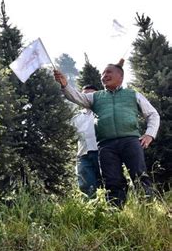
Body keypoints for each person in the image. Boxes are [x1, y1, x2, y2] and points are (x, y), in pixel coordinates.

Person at [54, 62, 160, 207]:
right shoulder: (95, 97)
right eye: (103, 74)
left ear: (120, 77)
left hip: (130, 141)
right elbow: (76, 97)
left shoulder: (133, 94)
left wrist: (149, 134)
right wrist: (65, 84)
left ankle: (148, 210)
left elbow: (153, 114)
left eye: (109, 72)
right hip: (106, 145)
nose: (105, 76)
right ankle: (116, 212)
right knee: (112, 181)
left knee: (139, 176)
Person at [72, 84, 101, 198]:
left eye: (91, 94)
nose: (87, 97)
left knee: (107, 183)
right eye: (84, 95)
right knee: (86, 186)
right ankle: (91, 211)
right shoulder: (76, 117)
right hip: (83, 155)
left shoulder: (102, 112)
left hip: (102, 152)